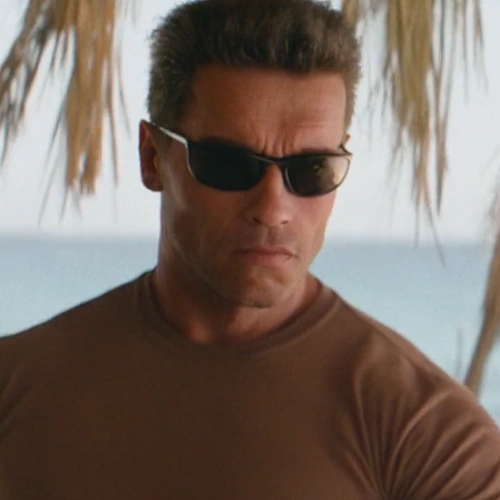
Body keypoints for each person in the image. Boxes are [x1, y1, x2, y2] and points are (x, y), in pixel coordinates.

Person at [1, 0, 500, 497]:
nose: (272, 208)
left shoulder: (428, 436)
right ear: (153, 157)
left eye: (312, 169)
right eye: (230, 164)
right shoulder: (18, 386)